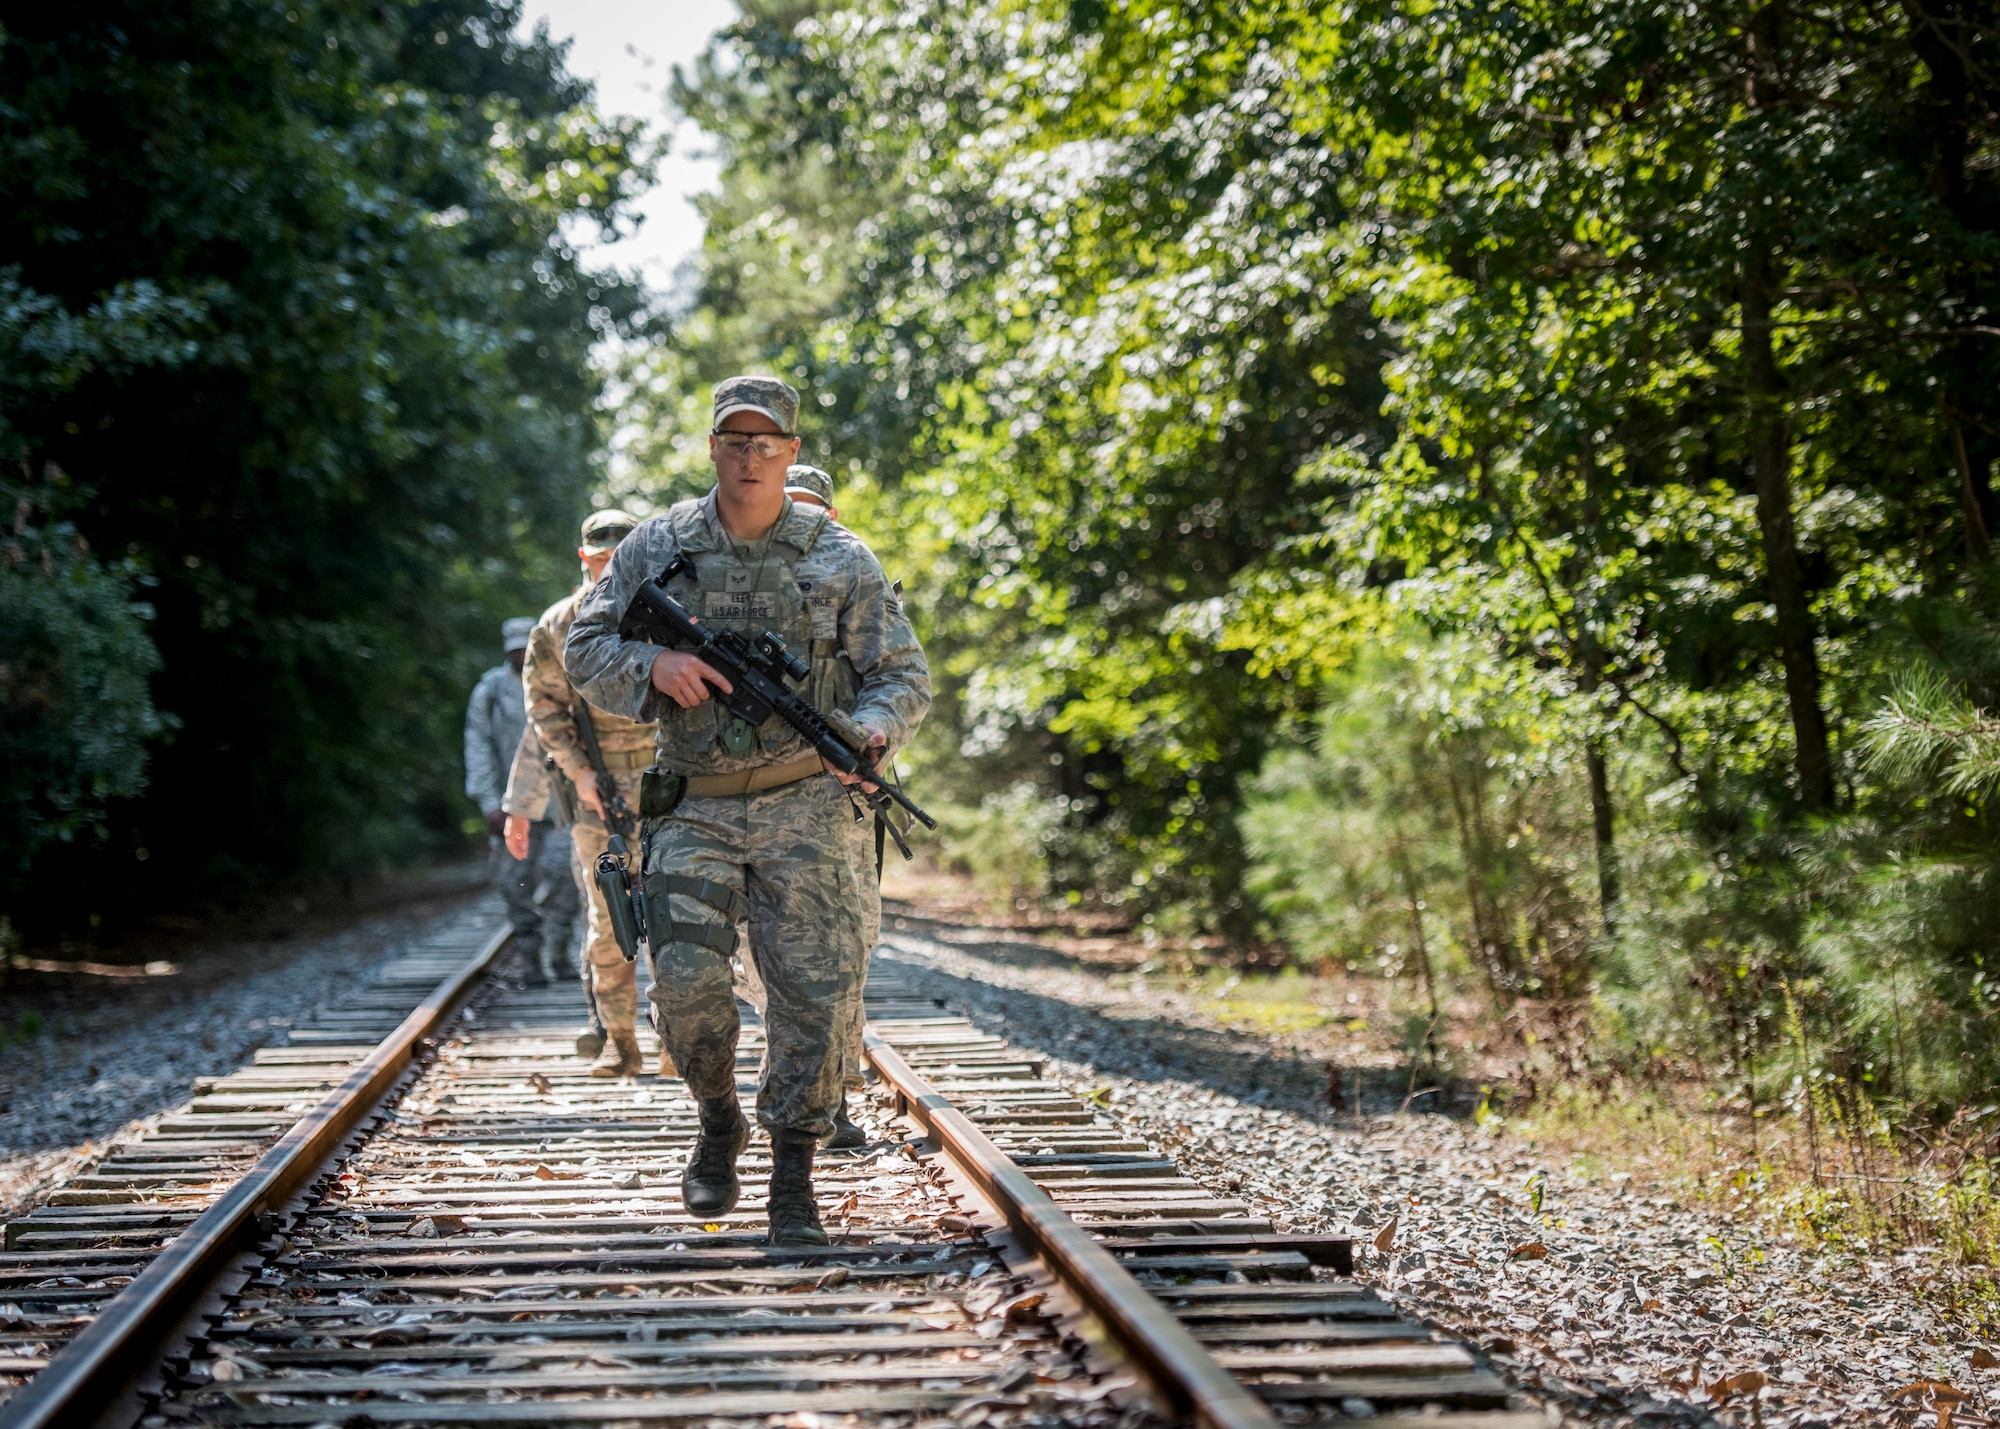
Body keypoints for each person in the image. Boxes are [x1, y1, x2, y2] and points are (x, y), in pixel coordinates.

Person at [565, 376, 930, 1246]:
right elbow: (585, 644)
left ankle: (792, 1176)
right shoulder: (658, 546)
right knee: (686, 986)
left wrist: (873, 732)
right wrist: (654, 667)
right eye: (737, 438)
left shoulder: (840, 556)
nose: (752, 454)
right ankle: (718, 1116)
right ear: (714, 446)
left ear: (792, 452)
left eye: (769, 441)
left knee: (814, 995)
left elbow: (902, 675)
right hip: (692, 802)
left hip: (809, 802)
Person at [503, 509, 667, 1079]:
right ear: (584, 559)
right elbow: (543, 711)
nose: (610, 572)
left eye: (620, 560)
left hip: (672, 789)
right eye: (600, 562)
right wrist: (578, 774)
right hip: (601, 799)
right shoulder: (557, 625)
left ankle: (678, 1041)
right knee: (611, 916)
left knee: (680, 917)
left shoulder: (665, 613)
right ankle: (621, 1040)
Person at [464, 619, 578, 984]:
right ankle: (530, 959)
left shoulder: (562, 680)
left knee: (567, 879)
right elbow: (477, 745)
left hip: (560, 804)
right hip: (512, 807)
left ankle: (559, 952)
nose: (519, 653)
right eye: (513, 647)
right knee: (516, 884)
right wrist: (487, 803)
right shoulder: (491, 691)